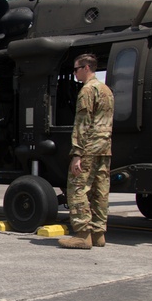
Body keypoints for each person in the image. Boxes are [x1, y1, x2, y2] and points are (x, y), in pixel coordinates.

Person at [59, 53, 114, 249]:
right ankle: (98, 234)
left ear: (86, 68)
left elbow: (82, 123)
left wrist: (77, 153)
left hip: (88, 148)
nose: (75, 73)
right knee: (100, 191)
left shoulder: (87, 90)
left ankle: (83, 234)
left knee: (77, 188)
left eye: (76, 69)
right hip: (104, 148)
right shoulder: (106, 90)